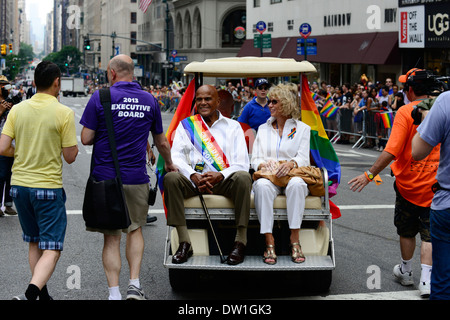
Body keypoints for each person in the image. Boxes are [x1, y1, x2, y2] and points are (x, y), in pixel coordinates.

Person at [80, 54, 177, 300]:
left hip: (105, 178)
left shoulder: (100, 97)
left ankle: (114, 293)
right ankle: (134, 284)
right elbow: (161, 141)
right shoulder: (149, 100)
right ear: (132, 72)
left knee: (111, 237)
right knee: (135, 230)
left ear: (112, 73)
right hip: (136, 178)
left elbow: (85, 138)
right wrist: (170, 165)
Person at [348, 69, 441, 298]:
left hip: (407, 186)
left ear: (410, 89)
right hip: (435, 185)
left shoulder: (405, 111)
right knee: (428, 234)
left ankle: (406, 271)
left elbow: (392, 150)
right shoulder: (442, 109)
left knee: (406, 230)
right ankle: (427, 281)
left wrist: (369, 175)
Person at [0, 61, 79, 300]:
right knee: (53, 248)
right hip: (47, 188)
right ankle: (30, 295)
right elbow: (70, 156)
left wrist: (22, 150)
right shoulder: (64, 113)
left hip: (20, 188)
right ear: (57, 83)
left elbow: (3, 147)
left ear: (34, 83)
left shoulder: (17, 109)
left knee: (34, 242)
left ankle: (42, 294)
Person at [164, 85, 252, 266]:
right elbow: (176, 158)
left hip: (223, 181)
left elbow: (242, 163)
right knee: (171, 178)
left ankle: (240, 241)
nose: (203, 103)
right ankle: (184, 242)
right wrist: (193, 175)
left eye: (208, 99)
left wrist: (220, 175)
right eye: (199, 99)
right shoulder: (186, 126)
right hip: (194, 181)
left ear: (218, 102)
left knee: (243, 177)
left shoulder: (233, 127)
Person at [251, 83, 311, 265]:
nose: (269, 105)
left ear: (285, 104)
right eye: (269, 101)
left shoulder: (302, 129)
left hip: (292, 175)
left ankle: (295, 239)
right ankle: (269, 242)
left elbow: (303, 158)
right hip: (269, 177)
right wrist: (263, 163)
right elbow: (254, 159)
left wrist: (291, 163)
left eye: (274, 102)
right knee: (261, 186)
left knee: (297, 184)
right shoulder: (263, 128)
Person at [412, 90, 450, 300]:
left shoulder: (446, 101)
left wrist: (426, 120)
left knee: (443, 280)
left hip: (447, 203)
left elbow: (417, 151)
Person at [0, 76, 17, 216]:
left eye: (7, 86)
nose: (5, 88)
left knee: (10, 175)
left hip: (11, 143)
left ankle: (8, 204)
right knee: (1, 175)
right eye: (3, 86)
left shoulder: (11, 101)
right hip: (1, 144)